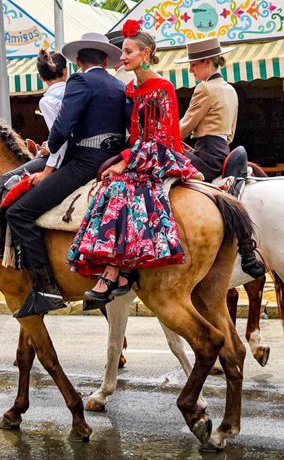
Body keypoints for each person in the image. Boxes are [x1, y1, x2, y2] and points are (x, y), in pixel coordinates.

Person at [67, 20, 200, 305]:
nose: (123, 57)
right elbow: (136, 134)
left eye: (128, 51)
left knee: (122, 188)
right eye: (122, 52)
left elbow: (159, 137)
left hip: (159, 154)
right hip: (139, 151)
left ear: (146, 53)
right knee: (108, 184)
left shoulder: (161, 87)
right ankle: (123, 271)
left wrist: (124, 162)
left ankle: (113, 270)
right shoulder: (132, 90)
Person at [6, 32, 129, 318]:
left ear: (76, 61)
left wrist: (48, 162)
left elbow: (62, 128)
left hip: (85, 161)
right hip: (114, 158)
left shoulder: (80, 81)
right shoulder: (118, 84)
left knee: (19, 212)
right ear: (106, 60)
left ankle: (46, 288)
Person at [0, 49, 69, 262]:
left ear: (40, 78)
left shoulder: (47, 100)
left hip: (60, 158)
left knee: (7, 182)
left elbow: (60, 135)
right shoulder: (76, 91)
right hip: (75, 151)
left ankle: (0, 244)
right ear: (66, 71)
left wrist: (49, 161)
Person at [177, 37, 237, 181]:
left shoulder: (205, 88)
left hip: (206, 158)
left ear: (208, 61)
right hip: (222, 155)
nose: (191, 70)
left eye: (193, 64)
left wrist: (161, 138)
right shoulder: (230, 89)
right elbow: (230, 134)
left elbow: (185, 126)